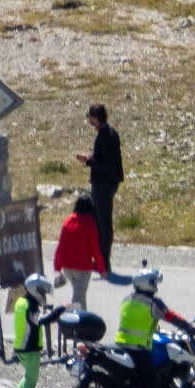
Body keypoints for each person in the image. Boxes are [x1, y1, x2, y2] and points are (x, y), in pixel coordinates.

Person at [116, 265, 195, 388]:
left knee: (120, 379)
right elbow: (172, 317)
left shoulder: (127, 299)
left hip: (121, 344)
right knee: (151, 380)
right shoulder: (153, 303)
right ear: (148, 284)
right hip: (138, 348)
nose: (156, 286)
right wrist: (190, 327)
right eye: (154, 283)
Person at [8, 273, 63, 388]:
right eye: (42, 291)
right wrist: (59, 311)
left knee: (28, 376)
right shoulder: (31, 306)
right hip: (30, 347)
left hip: (20, 345)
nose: (43, 294)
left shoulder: (22, 301)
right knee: (32, 379)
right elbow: (42, 321)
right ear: (35, 290)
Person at [76, 104, 123, 275]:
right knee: (100, 221)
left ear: (95, 118)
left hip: (103, 184)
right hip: (110, 183)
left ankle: (103, 262)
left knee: (103, 223)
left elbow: (105, 163)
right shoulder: (111, 133)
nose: (89, 120)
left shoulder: (104, 136)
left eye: (90, 117)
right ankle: (100, 259)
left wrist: (87, 161)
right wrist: (91, 157)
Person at [52, 194, 104, 308]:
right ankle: (77, 317)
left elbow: (61, 246)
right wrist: (101, 269)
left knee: (78, 295)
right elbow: (95, 249)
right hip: (83, 268)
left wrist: (57, 267)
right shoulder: (90, 223)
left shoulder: (68, 222)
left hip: (67, 267)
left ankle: (78, 314)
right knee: (79, 298)